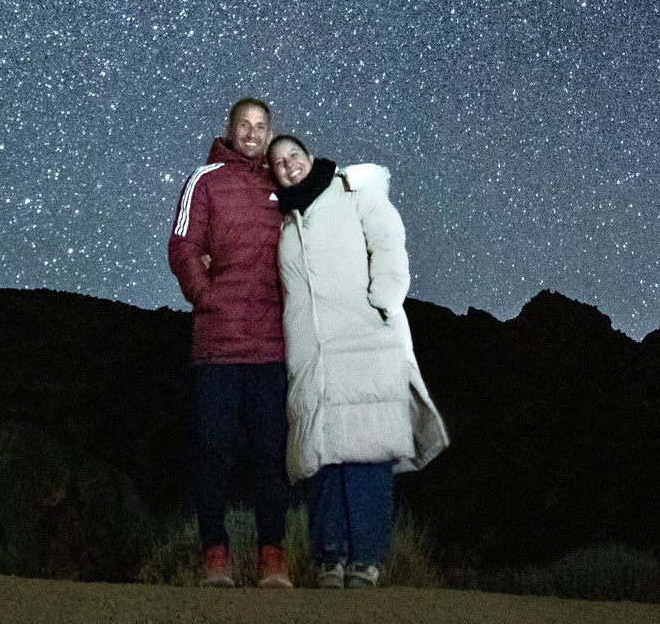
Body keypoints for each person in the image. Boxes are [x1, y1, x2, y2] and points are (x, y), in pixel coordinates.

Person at [267, 133, 449, 589]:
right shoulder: (287, 221)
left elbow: (388, 240)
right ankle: (330, 558)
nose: (288, 165)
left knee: (366, 452)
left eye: (293, 155)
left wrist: (384, 298)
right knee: (323, 455)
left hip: (364, 338)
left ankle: (366, 560)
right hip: (313, 354)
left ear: (309, 156)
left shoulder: (351, 190)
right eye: (278, 162)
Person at [168, 96, 292, 588]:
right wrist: (207, 298)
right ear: (231, 128)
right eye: (244, 124)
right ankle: (215, 556)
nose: (252, 132)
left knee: (270, 453)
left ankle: (272, 559)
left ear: (269, 133)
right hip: (219, 344)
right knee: (213, 451)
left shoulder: (280, 184)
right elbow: (182, 245)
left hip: (271, 346)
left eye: (261, 126)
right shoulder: (206, 180)